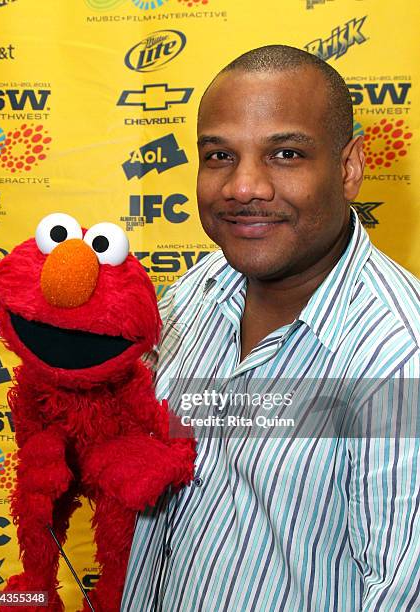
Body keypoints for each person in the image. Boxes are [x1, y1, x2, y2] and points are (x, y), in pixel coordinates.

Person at [121, 45, 420, 611]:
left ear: (349, 167)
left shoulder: (398, 360)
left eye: (285, 153)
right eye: (219, 156)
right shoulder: (198, 289)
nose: (243, 186)